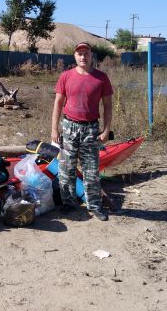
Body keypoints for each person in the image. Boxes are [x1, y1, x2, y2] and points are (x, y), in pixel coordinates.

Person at [51, 41, 113, 221]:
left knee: (91, 171)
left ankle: (95, 206)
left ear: (92, 56)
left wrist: (106, 130)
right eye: (79, 54)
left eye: (86, 53)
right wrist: (54, 129)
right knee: (66, 169)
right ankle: (69, 203)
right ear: (75, 56)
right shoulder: (66, 76)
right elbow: (58, 103)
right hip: (69, 127)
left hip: (91, 129)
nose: (83, 57)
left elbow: (107, 106)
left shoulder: (101, 78)